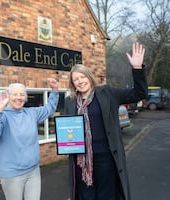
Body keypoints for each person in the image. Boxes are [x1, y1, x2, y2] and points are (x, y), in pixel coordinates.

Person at [64, 42, 147, 200]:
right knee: (85, 195)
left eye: (82, 77)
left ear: (89, 77)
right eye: (76, 79)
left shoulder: (107, 93)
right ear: (72, 83)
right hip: (81, 159)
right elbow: (67, 128)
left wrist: (137, 69)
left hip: (105, 157)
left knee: (106, 195)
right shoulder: (70, 101)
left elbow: (139, 93)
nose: (80, 81)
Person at [0, 78, 59, 200]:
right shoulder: (1, 116)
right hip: (12, 174)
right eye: (15, 94)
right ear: (8, 96)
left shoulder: (31, 113)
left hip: (33, 171)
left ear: (25, 97)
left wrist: (55, 91)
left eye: (22, 95)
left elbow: (49, 109)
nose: (19, 98)